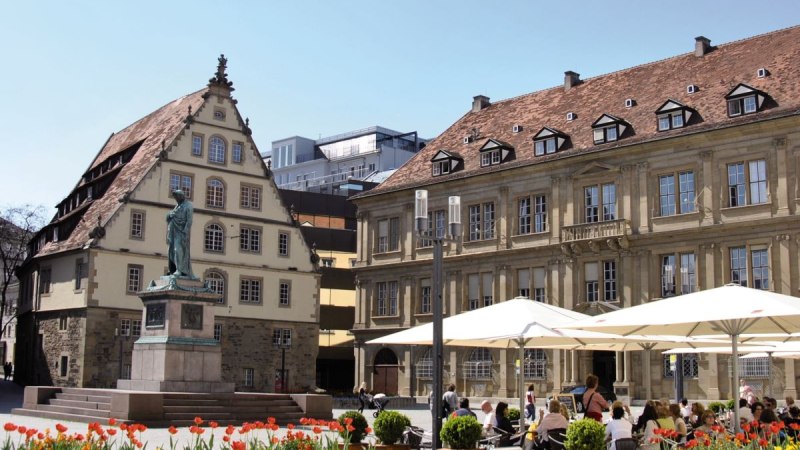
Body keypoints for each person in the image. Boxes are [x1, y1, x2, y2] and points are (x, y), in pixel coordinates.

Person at [166, 190, 194, 278]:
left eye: (177, 197)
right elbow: (169, 217)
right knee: (170, 251)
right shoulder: (177, 206)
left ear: (181, 196)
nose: (176, 199)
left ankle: (180, 270)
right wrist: (169, 215)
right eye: (175, 197)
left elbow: (189, 220)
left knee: (177, 250)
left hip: (181, 232)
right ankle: (173, 269)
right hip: (173, 231)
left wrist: (185, 232)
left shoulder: (188, 205)